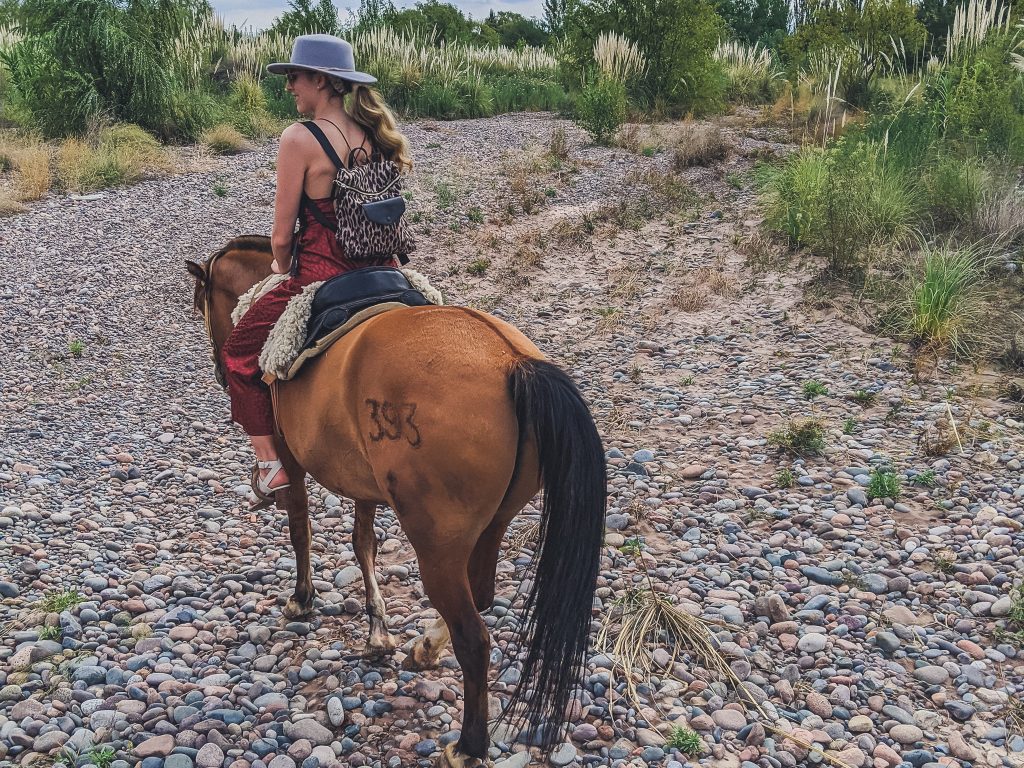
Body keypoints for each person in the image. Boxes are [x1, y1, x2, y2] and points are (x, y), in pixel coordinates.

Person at [220, 34, 413, 509]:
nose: (290, 87)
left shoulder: (299, 138)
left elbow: (282, 237)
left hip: (323, 276)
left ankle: (270, 465)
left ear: (323, 81)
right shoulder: (375, 134)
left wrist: (282, 270)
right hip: (386, 270)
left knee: (239, 355)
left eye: (296, 77)